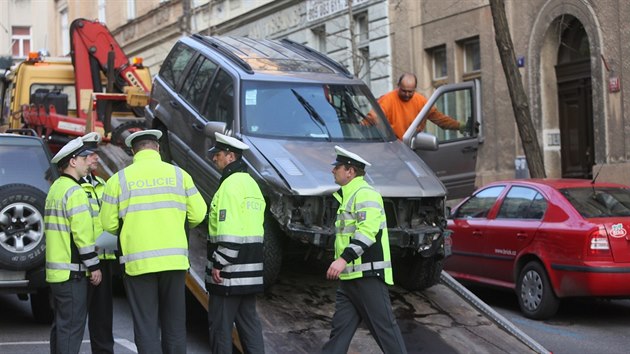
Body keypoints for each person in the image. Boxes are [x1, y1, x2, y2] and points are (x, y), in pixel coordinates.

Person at [100, 130, 207, 354]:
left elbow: (108, 224)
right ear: (157, 148)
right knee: (175, 324)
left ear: (133, 151)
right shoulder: (180, 175)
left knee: (146, 326)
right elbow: (198, 214)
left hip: (138, 264)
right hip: (174, 262)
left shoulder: (118, 180)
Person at [322, 145, 407, 354]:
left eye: (338, 167)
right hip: (350, 280)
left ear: (350, 171)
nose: (333, 170)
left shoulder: (365, 194)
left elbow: (367, 232)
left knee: (386, 332)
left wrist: (343, 259)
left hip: (368, 276)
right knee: (338, 335)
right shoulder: (347, 196)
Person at [206, 132, 266, 354]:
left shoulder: (229, 187)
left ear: (230, 157)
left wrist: (219, 263)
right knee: (250, 327)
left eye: (218, 154)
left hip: (229, 274)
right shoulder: (252, 184)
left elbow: (230, 232)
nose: (214, 158)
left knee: (220, 329)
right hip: (250, 271)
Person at [46, 136, 102, 354]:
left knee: (60, 327)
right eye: (85, 157)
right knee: (71, 329)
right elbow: (82, 235)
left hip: (57, 272)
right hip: (72, 273)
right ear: (73, 161)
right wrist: (94, 266)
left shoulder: (57, 188)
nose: (89, 161)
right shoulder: (75, 192)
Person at [80, 132, 116, 354]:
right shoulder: (71, 186)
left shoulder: (103, 184)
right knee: (72, 320)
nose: (96, 158)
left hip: (103, 258)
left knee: (103, 318)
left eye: (96, 154)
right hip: (81, 260)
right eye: (91, 154)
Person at [368, 72, 465, 139]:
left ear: (415, 88)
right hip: (392, 150)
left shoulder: (421, 101)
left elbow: (439, 119)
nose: (407, 94)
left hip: (413, 148)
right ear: (398, 86)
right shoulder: (387, 100)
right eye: (403, 91)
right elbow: (371, 118)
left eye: (410, 92)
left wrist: (459, 126)